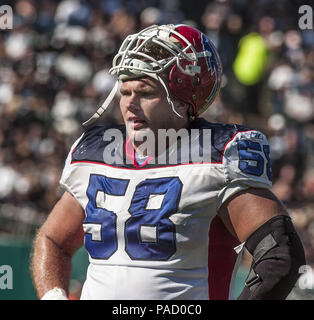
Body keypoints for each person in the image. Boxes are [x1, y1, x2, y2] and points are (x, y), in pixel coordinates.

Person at [30, 24, 305, 300]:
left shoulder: (217, 155)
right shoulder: (96, 152)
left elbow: (279, 255)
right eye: (125, 92)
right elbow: (53, 241)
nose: (130, 104)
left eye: (146, 92)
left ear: (184, 100)